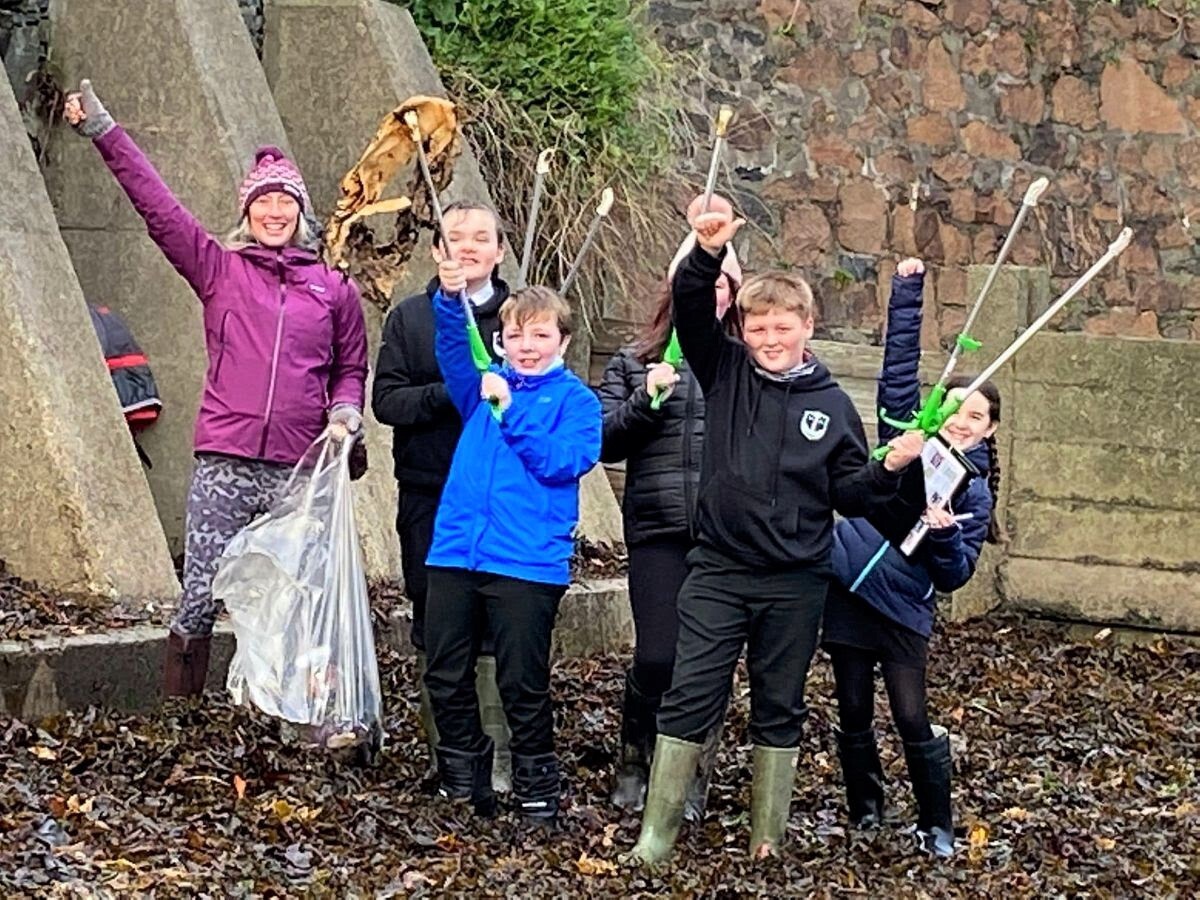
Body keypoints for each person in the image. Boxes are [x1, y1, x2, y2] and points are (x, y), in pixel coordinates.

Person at [628, 204, 923, 863]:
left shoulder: (832, 405)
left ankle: (767, 836)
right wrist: (706, 253)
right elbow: (689, 305)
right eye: (758, 326)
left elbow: (850, 491)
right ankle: (656, 836)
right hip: (719, 570)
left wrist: (890, 467)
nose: (768, 337)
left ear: (806, 327)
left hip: (794, 581)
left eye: (781, 327)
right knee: (688, 693)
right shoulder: (724, 369)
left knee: (779, 703)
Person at [64, 80, 367, 697]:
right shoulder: (218, 270)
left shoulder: (334, 289)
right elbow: (157, 205)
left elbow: (351, 369)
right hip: (224, 460)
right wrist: (102, 128)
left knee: (301, 597)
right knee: (200, 596)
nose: (274, 213)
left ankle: (301, 717)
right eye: (264, 203)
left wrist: (345, 411)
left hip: (298, 467)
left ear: (301, 214)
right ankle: (183, 715)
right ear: (247, 213)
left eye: (286, 203)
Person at [825, 257, 1001, 858]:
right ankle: (866, 810)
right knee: (851, 709)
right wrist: (907, 294)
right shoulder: (909, 441)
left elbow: (955, 575)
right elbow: (897, 374)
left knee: (909, 715)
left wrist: (946, 533)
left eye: (976, 414)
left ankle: (937, 823)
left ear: (990, 430)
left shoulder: (974, 490)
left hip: (903, 607)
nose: (962, 419)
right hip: (847, 587)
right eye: (954, 408)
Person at [421, 257, 601, 827]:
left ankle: (536, 789)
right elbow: (454, 348)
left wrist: (510, 411)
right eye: (516, 334)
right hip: (456, 550)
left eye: (540, 335)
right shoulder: (482, 386)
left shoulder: (577, 403)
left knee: (522, 681)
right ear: (500, 339)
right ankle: (463, 780)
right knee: (444, 672)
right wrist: (451, 302)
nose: (527, 345)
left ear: (562, 341)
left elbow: (560, 462)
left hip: (527, 562)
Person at [599, 198, 742, 815]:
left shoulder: (740, 366)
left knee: (705, 662)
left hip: (722, 535)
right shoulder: (633, 361)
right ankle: (636, 755)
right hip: (657, 528)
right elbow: (604, 439)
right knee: (658, 654)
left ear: (732, 294)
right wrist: (648, 402)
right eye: (699, 281)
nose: (710, 294)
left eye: (721, 285)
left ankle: (690, 769)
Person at [372, 202, 514, 786]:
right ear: (437, 251)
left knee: (497, 623)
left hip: (503, 501)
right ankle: (449, 756)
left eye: (482, 238)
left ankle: (499, 758)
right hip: (431, 494)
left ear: (500, 251)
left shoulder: (520, 317)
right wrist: (450, 395)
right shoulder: (410, 319)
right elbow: (387, 402)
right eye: (456, 238)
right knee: (435, 619)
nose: (468, 247)